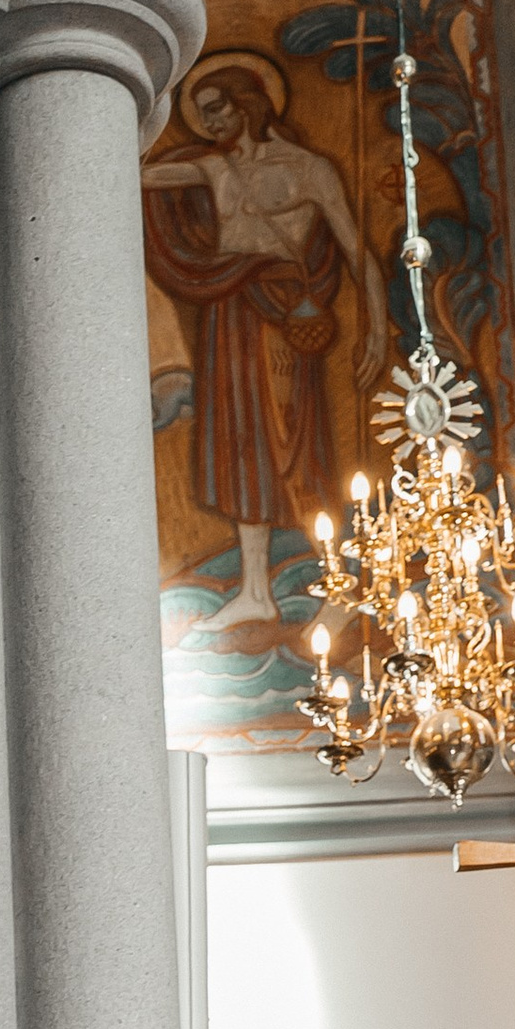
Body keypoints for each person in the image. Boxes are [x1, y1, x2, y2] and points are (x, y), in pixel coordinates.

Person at [143, 50, 388, 634]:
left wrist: (377, 329)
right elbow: (138, 173)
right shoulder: (214, 167)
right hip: (230, 315)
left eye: (217, 110)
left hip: (283, 317)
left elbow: (358, 253)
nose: (210, 124)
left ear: (247, 102)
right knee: (238, 446)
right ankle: (256, 591)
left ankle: (339, 583)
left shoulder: (308, 169)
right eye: (202, 115)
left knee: (290, 447)